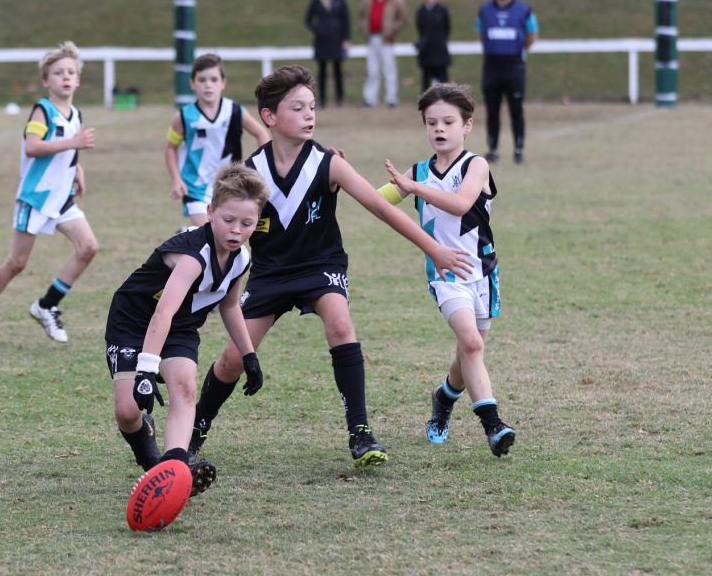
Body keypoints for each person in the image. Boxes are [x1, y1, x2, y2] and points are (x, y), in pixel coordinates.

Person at [187, 66, 472, 470]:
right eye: (298, 108)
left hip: (321, 265)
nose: (309, 115)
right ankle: (195, 431)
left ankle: (360, 432)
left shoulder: (329, 164)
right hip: (270, 273)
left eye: (313, 107)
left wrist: (434, 248)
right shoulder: (252, 174)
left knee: (340, 323)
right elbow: (225, 229)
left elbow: (379, 208)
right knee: (234, 357)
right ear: (269, 117)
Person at [107, 164, 269, 495]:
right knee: (127, 411)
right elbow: (162, 311)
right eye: (228, 220)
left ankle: (176, 468)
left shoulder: (240, 260)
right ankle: (151, 458)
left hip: (180, 328)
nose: (236, 230)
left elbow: (229, 304)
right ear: (210, 213)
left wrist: (248, 354)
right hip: (134, 322)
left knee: (184, 388)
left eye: (246, 223)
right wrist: (147, 371)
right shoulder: (194, 255)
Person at [381, 82, 516, 457]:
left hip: (483, 271)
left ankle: (443, 397)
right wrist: (338, 173)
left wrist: (413, 187)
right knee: (471, 343)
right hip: (444, 275)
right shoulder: (419, 171)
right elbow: (377, 201)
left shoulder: (477, 165)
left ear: (467, 126)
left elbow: (459, 204)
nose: (439, 129)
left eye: (448, 122)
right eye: (431, 122)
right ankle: (494, 427)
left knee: (469, 351)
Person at [0, 41, 98, 349]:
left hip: (61, 198)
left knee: (88, 247)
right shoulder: (43, 110)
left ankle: (47, 305)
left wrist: (77, 169)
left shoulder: (75, 113)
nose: (65, 77)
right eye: (58, 72)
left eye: (70, 72)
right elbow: (33, 147)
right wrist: (73, 144)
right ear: (45, 80)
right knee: (17, 263)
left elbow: (68, 148)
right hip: (35, 198)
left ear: (77, 79)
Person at [165, 54, 269, 228]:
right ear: (192, 83)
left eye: (214, 79)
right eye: (202, 80)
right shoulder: (183, 117)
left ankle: (188, 233)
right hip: (195, 187)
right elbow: (170, 149)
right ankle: (192, 233)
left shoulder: (235, 111)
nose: (208, 85)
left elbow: (261, 134)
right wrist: (176, 179)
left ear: (223, 83)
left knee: (225, 232)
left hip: (230, 185)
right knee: (210, 232)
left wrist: (257, 169)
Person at [476, 0, 539, 164]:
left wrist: (520, 50)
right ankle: (492, 149)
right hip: (492, 68)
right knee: (492, 111)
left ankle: (518, 149)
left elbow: (532, 35)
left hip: (514, 68)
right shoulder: (484, 10)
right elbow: (481, 33)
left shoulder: (525, 10)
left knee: (516, 110)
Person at [360, 0, 408, 108]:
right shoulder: (368, 0)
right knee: (372, 70)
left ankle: (391, 98)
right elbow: (362, 17)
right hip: (372, 38)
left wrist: (392, 29)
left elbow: (403, 19)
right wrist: (365, 28)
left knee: (389, 69)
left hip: (387, 40)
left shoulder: (396, 0)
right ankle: (370, 99)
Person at [304, 0, 351, 108]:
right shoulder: (317, 0)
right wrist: (318, 28)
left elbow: (346, 20)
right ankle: (322, 100)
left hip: (336, 40)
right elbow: (308, 19)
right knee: (322, 70)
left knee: (338, 70)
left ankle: (340, 99)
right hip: (322, 41)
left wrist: (346, 39)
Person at [415, 0, 452, 91]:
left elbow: (447, 28)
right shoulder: (421, 11)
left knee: (443, 80)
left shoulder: (442, 10)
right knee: (426, 80)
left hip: (439, 50)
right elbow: (420, 29)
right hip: (426, 51)